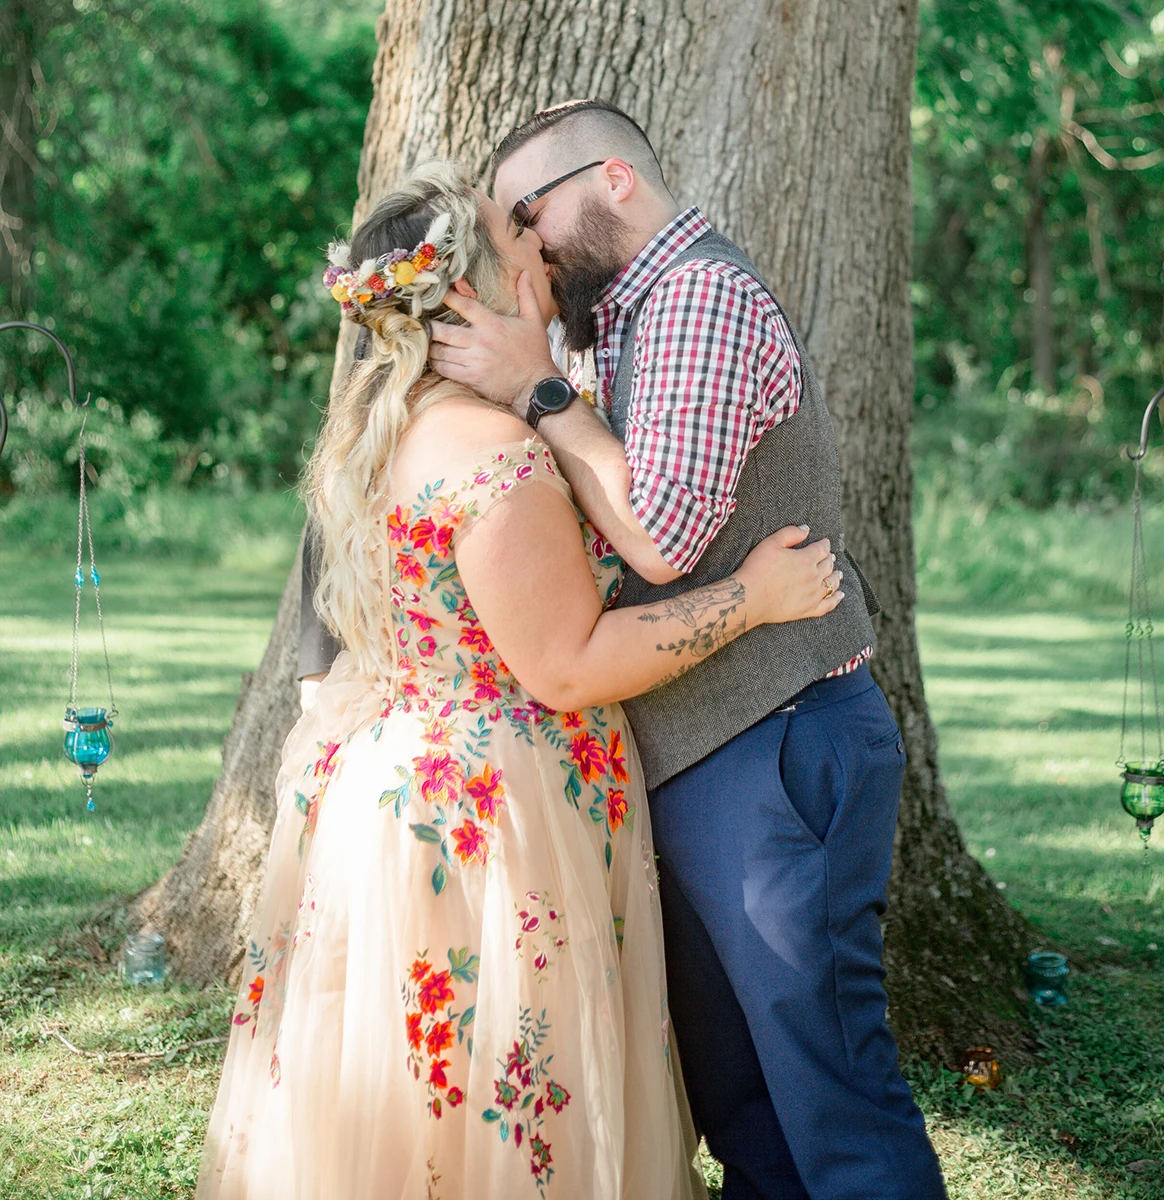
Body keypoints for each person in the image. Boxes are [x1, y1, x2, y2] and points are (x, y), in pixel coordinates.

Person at [196, 159, 846, 1200]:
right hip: (501, 813)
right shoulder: (496, 455)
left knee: (429, 1106)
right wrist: (755, 600)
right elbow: (568, 665)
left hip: (406, 781)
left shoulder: (380, 432)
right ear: (469, 293)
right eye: (515, 241)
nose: (540, 248)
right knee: (511, 1091)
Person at [425, 101, 948, 1200]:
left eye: (532, 213)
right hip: (693, 754)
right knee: (743, 1108)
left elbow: (658, 537)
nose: (527, 244)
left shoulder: (700, 298)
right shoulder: (622, 314)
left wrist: (538, 389)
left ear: (614, 181)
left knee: (830, 1101)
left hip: (779, 743)